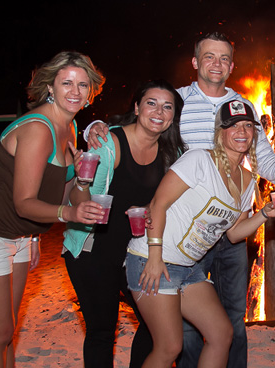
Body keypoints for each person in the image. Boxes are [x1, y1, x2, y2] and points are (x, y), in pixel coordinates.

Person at [85, 32, 275, 368]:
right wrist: (95, 128)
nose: (242, 132)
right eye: (208, 56)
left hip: (203, 246)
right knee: (173, 342)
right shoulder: (179, 110)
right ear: (195, 62)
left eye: (248, 127)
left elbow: (262, 182)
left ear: (232, 66)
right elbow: (141, 127)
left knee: (225, 328)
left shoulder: (247, 165)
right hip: (163, 244)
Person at [0, 51, 105, 367]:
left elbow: (66, 196)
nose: (75, 91)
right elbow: (24, 202)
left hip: (19, 233)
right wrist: (67, 214)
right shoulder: (39, 128)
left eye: (83, 85)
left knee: (7, 329)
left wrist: (82, 178)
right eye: (66, 83)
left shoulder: (69, 127)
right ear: (50, 87)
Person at [125, 100, 275, 367]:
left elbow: (233, 233)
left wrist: (264, 213)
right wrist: (155, 256)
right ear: (221, 132)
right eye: (233, 126)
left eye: (247, 126)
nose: (241, 131)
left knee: (221, 334)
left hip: (188, 268)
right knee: (169, 347)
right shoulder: (199, 160)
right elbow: (158, 204)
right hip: (153, 258)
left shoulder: (246, 180)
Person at [62, 79, 187, 367]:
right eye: (151, 103)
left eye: (167, 107)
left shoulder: (173, 154)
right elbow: (79, 202)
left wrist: (148, 208)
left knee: (156, 324)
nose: (159, 111)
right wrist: (81, 178)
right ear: (136, 107)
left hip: (137, 251)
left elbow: (172, 202)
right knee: (102, 330)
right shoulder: (108, 142)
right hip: (95, 248)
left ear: (172, 117)